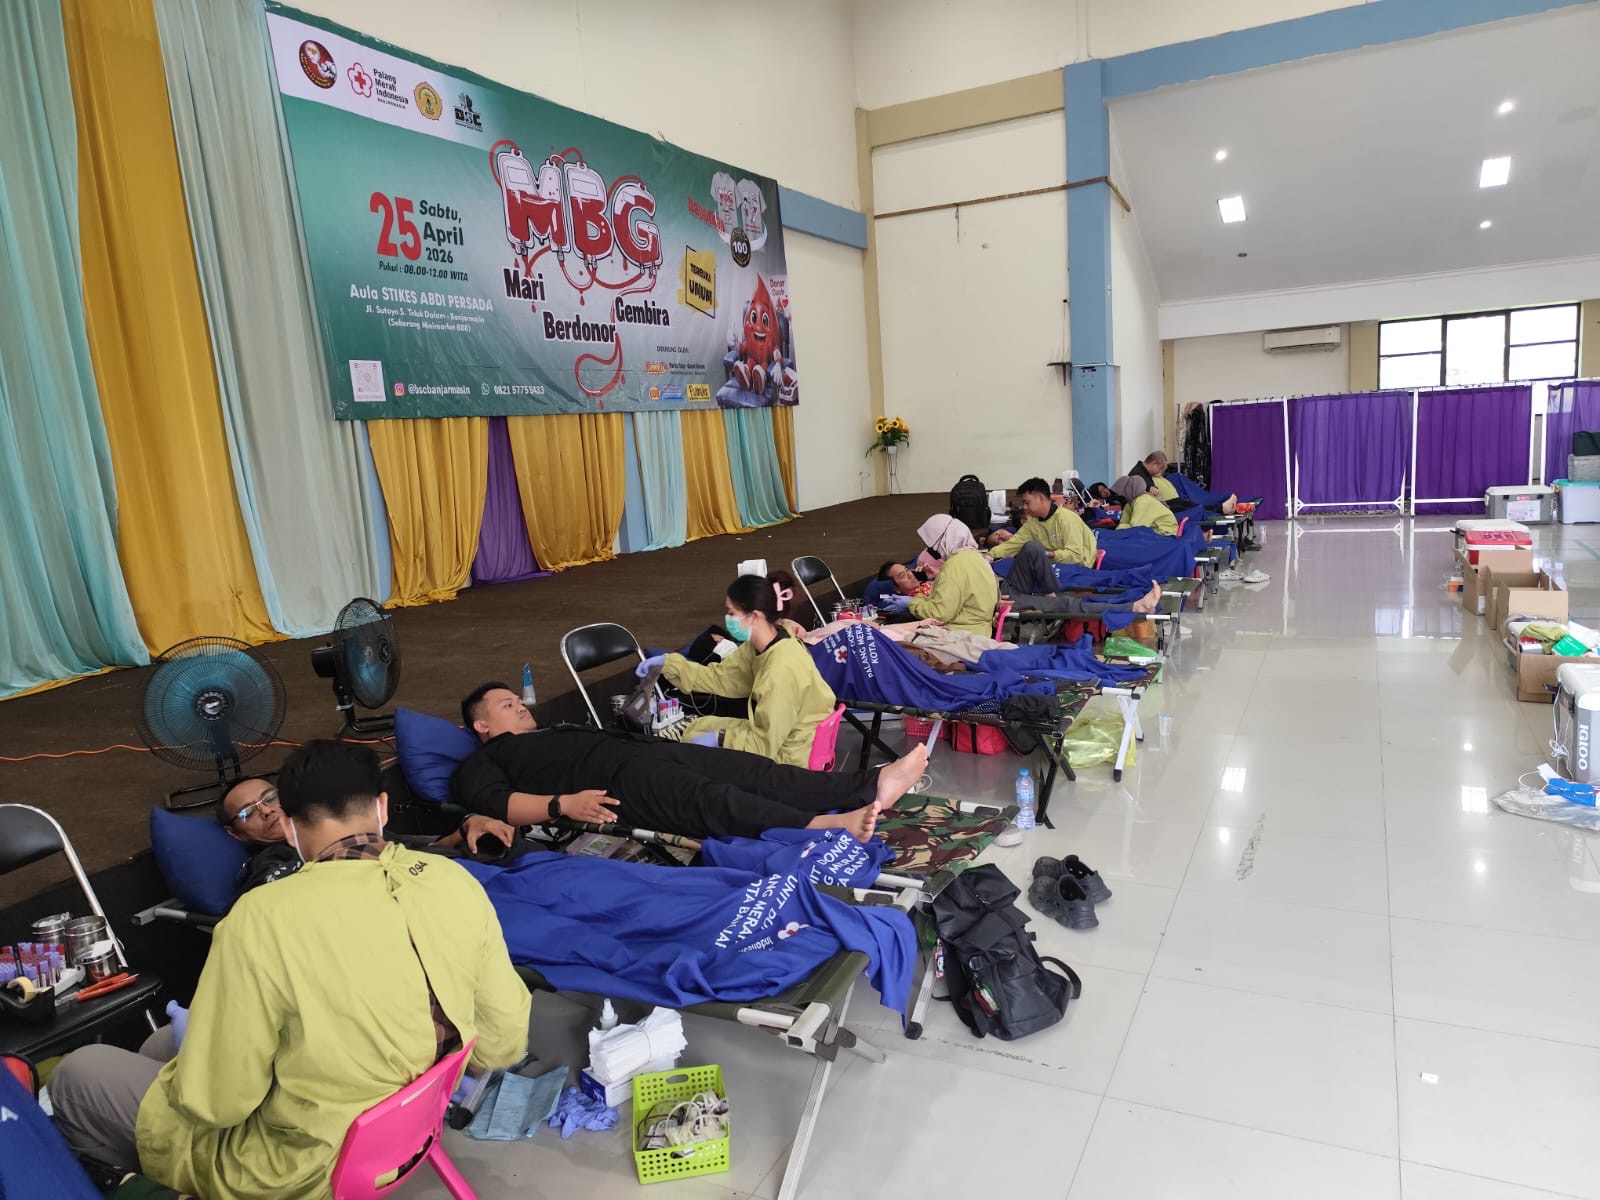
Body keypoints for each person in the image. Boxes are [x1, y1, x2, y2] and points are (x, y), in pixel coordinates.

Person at [51, 741, 531, 1198]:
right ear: (382, 807)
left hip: (302, 1166)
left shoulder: (261, 916)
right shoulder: (452, 879)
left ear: (290, 826)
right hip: (411, 1133)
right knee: (161, 1045)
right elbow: (503, 1041)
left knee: (79, 1073)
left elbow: (217, 1103)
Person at [452, 683, 930, 843]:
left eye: (519, 699)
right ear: (481, 725)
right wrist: (562, 805)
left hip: (645, 752)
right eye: (507, 704)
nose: (520, 705)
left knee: (752, 770)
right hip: (614, 783)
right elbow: (496, 803)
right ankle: (823, 826)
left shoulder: (550, 732)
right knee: (711, 800)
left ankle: (868, 784)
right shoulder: (484, 760)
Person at [641, 573, 837, 766]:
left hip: (792, 758)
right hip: (784, 739)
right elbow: (720, 677)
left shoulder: (780, 670)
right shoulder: (764, 644)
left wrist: (718, 739)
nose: (727, 619)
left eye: (732, 613)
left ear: (754, 616)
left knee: (694, 753)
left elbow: (762, 747)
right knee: (699, 726)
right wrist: (667, 663)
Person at [217, 776, 525, 893]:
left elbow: (413, 850)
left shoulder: (338, 826)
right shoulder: (269, 864)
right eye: (248, 813)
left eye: (269, 798)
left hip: (455, 878)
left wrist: (466, 826)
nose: (266, 811)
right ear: (236, 833)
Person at [880, 514, 999, 636]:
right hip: (978, 630)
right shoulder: (977, 557)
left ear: (944, 540)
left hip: (961, 634)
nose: (932, 550)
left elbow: (939, 614)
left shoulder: (955, 565)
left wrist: (911, 603)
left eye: (932, 545)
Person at [988, 477, 1100, 588]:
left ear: (1041, 498)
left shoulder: (1067, 519)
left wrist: (1049, 554)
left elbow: (1076, 556)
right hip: (1055, 565)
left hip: (1080, 571)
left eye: (1027, 502)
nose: (1025, 507)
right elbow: (1014, 544)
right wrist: (990, 555)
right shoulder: (1033, 522)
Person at [1112, 474, 1180, 536]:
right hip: (1156, 531)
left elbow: (1137, 527)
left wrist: (1119, 529)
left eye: (1123, 493)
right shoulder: (1130, 504)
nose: (1122, 496)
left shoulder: (1143, 501)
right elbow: (1124, 522)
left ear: (1129, 490)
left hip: (1166, 533)